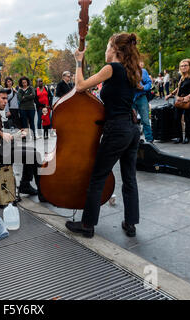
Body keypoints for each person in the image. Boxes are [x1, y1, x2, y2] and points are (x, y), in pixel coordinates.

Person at [65, 32, 142, 239]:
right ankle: (131, 223)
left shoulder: (112, 68)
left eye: (108, 47)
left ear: (115, 50)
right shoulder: (131, 69)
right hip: (133, 128)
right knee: (129, 178)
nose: (106, 51)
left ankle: (87, 225)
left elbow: (80, 86)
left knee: (98, 177)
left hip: (117, 129)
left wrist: (78, 62)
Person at [0, 85, 43, 196]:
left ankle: (25, 185)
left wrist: (15, 136)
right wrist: (2, 133)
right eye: (3, 98)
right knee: (33, 155)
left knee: (33, 152)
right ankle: (42, 193)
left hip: (3, 148)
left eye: (6, 99)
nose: (5, 102)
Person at [165, 59, 190, 144]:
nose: (183, 67)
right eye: (182, 66)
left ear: (189, 66)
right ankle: (179, 137)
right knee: (177, 118)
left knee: (188, 119)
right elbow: (179, 88)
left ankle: (187, 137)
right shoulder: (182, 77)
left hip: (188, 100)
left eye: (185, 65)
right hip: (179, 100)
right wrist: (171, 94)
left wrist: (189, 96)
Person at [133, 61, 153, 143]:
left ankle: (149, 139)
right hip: (130, 99)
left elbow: (149, 83)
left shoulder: (143, 71)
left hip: (141, 97)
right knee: (131, 121)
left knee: (145, 120)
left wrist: (143, 87)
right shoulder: (125, 70)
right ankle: (133, 139)